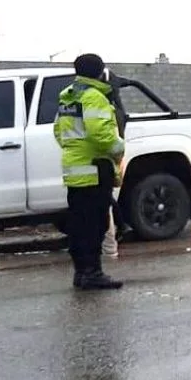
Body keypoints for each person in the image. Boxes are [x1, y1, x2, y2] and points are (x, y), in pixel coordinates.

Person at [54, 55, 125, 290]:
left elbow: (58, 131)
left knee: (79, 223)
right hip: (95, 169)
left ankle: (81, 273)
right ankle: (93, 273)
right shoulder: (94, 97)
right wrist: (119, 149)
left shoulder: (68, 96)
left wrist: (75, 150)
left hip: (75, 170)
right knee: (96, 224)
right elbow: (100, 134)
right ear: (99, 72)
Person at [102, 72, 129, 259]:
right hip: (112, 155)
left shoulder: (102, 105)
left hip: (107, 156)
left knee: (105, 199)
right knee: (107, 196)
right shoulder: (112, 103)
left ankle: (111, 248)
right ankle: (122, 224)